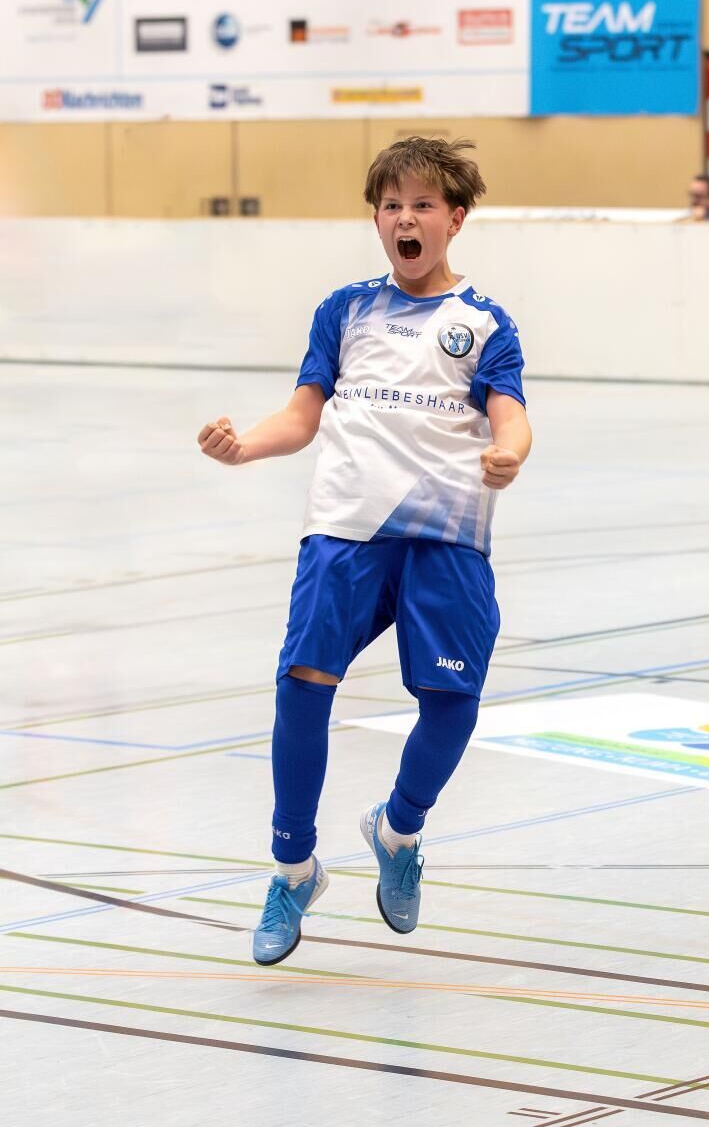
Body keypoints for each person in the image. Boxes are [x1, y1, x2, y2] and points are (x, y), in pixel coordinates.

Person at [197, 136, 532, 966]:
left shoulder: (485, 323)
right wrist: (246, 446)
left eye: (422, 205)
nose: (405, 219)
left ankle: (398, 830)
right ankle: (293, 870)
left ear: (455, 219)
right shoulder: (344, 311)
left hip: (446, 531)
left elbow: (511, 415)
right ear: (377, 220)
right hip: (344, 525)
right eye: (391, 206)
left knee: (452, 705)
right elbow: (301, 416)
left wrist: (510, 453)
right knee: (302, 685)